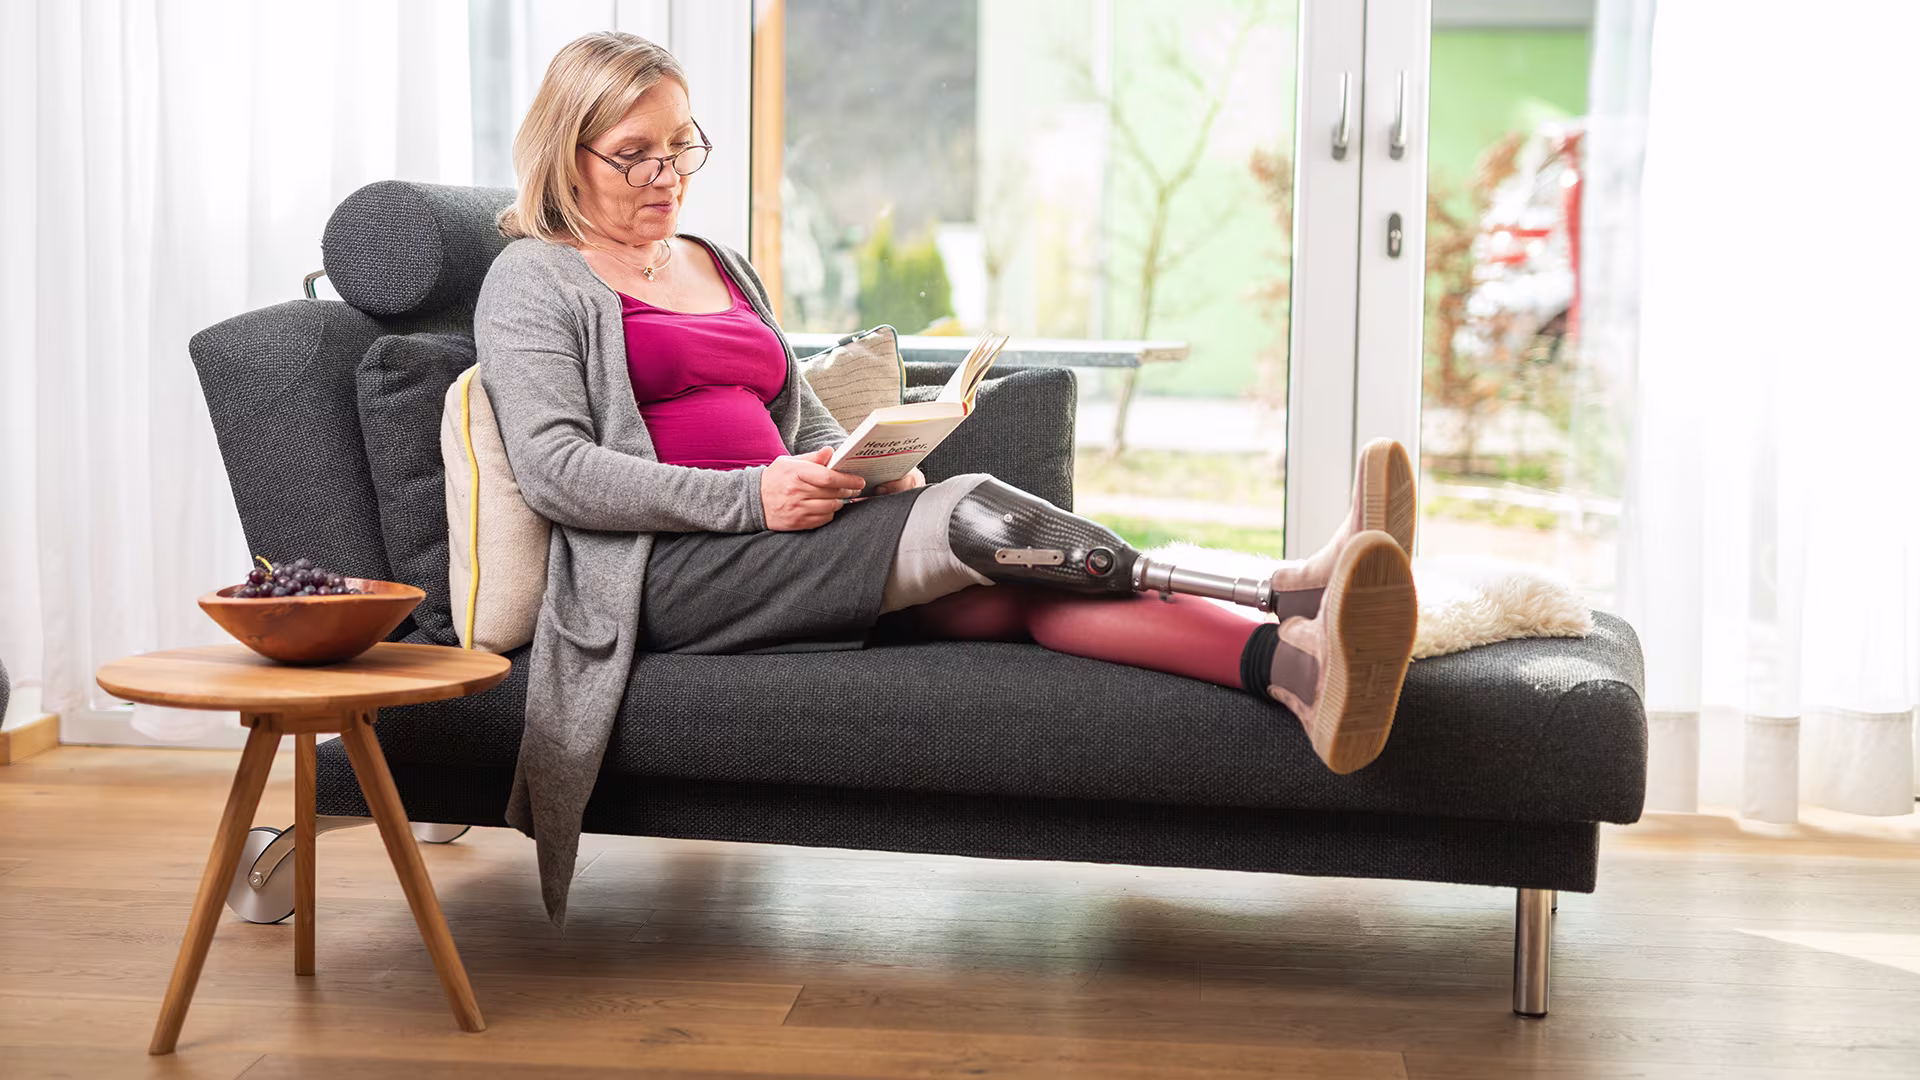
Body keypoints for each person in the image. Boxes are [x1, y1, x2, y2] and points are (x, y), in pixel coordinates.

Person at [477, 32, 1419, 918]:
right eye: (635, 155)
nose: (668, 176)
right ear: (569, 155)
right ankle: (1284, 586)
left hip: (793, 538)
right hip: (674, 573)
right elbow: (557, 472)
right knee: (975, 517)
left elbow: (792, 413)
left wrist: (865, 463)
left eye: (684, 147)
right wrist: (752, 495)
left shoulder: (712, 260)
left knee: (1018, 594)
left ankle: (1296, 670)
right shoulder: (536, 278)